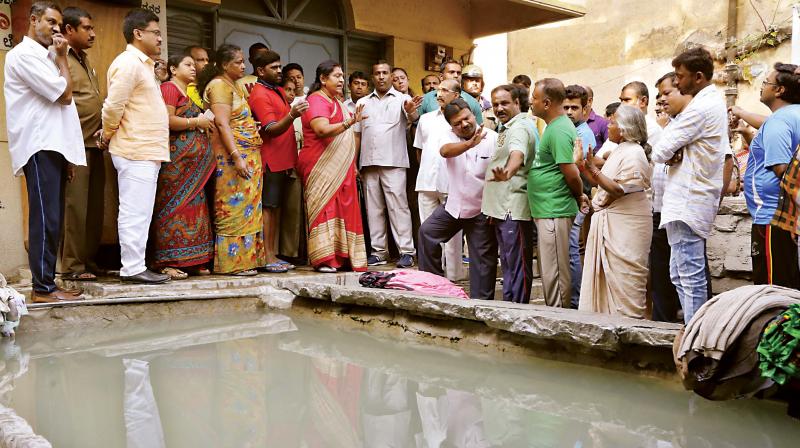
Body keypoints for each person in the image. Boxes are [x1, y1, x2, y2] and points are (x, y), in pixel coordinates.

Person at [5, 2, 86, 302]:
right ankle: (43, 288)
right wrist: (63, 58)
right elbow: (64, 95)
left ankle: (48, 282)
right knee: (45, 218)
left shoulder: (45, 56)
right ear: (34, 20)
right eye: (50, 21)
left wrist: (67, 155)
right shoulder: (24, 55)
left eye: (59, 23)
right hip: (38, 146)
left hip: (53, 146)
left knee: (53, 218)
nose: (55, 28)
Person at [651, 47, 728, 323]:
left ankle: (697, 336)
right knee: (679, 272)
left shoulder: (700, 108)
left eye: (680, 77)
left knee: (689, 274)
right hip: (685, 200)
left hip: (688, 200)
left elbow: (659, 151)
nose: (678, 83)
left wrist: (671, 148)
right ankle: (694, 330)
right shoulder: (704, 104)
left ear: (697, 77)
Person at [99, 8, 170, 284]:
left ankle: (136, 265)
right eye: (156, 32)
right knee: (134, 210)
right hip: (134, 148)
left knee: (141, 211)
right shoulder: (128, 63)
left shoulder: (144, 66)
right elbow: (113, 105)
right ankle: (132, 268)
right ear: (138, 34)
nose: (160, 39)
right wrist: (106, 133)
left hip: (145, 148)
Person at [578, 105, 653, 318]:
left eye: (612, 123)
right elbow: (603, 183)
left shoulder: (634, 153)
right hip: (613, 220)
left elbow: (619, 190)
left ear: (624, 129)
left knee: (626, 282)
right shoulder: (620, 150)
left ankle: (630, 331)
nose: (608, 126)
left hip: (627, 225)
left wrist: (592, 168)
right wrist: (583, 165)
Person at [419, 99, 498, 299]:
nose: (463, 124)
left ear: (473, 114)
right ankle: (433, 288)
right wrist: (469, 144)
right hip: (454, 206)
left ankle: (482, 304)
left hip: (482, 210)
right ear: (451, 126)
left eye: (466, 118)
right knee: (427, 233)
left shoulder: (493, 138)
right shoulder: (448, 136)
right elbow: (445, 151)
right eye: (457, 123)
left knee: (482, 261)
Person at [197, 44, 266, 275]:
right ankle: (233, 263)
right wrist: (237, 156)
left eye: (243, 61)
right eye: (238, 62)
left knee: (247, 208)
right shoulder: (218, 85)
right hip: (230, 158)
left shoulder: (234, 85)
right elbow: (222, 123)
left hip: (248, 155)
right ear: (224, 65)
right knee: (233, 206)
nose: (243, 66)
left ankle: (247, 261)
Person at [297, 60, 368, 272]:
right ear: (322, 79)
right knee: (326, 208)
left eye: (341, 76)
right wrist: (350, 122)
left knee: (343, 207)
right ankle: (325, 259)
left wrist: (352, 163)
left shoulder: (336, 101)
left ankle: (343, 256)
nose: (341, 80)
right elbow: (321, 129)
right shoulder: (317, 100)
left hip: (342, 167)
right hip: (321, 165)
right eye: (336, 76)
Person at [151, 54, 215, 278]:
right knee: (173, 210)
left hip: (194, 170)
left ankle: (193, 260)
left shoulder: (187, 92)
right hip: (177, 166)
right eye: (187, 65)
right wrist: (196, 121)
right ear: (173, 69)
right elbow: (167, 120)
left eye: (193, 65)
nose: (193, 68)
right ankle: (168, 261)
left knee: (195, 208)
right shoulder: (169, 88)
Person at [248, 50, 310, 273]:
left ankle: (272, 253)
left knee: (276, 211)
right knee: (268, 209)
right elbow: (270, 129)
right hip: (269, 161)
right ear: (260, 70)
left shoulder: (278, 91)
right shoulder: (260, 94)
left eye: (279, 66)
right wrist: (292, 115)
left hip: (283, 162)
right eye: (274, 67)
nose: (279, 71)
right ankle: (266, 255)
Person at [356, 61, 422, 268]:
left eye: (385, 73)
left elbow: (414, 117)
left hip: (394, 162)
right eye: (377, 73)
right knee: (373, 209)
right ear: (372, 77)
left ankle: (407, 251)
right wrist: (354, 162)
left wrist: (411, 111)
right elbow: (357, 135)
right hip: (368, 162)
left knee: (398, 208)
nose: (381, 77)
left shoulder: (403, 99)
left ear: (391, 76)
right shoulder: (363, 102)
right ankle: (379, 251)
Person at [529, 78, 588, 308]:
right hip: (547, 208)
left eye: (534, 98)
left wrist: (578, 195)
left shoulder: (559, 129)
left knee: (555, 273)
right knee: (550, 270)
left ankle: (559, 320)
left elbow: (571, 172)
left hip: (554, 209)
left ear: (546, 103)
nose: (530, 102)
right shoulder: (555, 127)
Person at [743, 63, 800, 288]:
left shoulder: (779, 121)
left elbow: (781, 169)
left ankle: (776, 325)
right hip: (788, 218)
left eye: (766, 82)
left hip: (772, 217)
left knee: (773, 287)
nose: (762, 86)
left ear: (779, 90)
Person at [60, 6, 103, 282]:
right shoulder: (60, 59)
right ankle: (72, 267)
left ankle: (87, 260)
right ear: (69, 30)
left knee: (94, 208)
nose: (92, 33)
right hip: (74, 144)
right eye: (87, 28)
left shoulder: (85, 59)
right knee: (75, 207)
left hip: (95, 142)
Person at [484, 84, 538, 303]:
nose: (499, 108)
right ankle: (509, 309)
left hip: (513, 209)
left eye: (505, 103)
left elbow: (517, 154)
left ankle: (517, 311)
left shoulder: (519, 128)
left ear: (517, 103)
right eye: (495, 104)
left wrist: (508, 172)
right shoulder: (506, 127)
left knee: (517, 267)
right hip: (502, 208)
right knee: (509, 265)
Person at [414, 79, 464, 281]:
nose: (439, 94)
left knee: (452, 236)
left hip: (451, 184)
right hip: (426, 181)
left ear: (456, 95)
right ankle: (431, 277)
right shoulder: (425, 119)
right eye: (438, 90)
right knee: (427, 230)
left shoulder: (461, 120)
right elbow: (419, 150)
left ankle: (453, 277)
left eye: (444, 90)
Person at [563, 84, 597, 308]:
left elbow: (578, 169)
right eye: (565, 107)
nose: (568, 112)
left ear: (585, 110)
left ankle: (576, 301)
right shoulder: (569, 130)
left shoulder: (584, 134)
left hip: (579, 197)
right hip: (571, 199)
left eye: (574, 107)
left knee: (573, 251)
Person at [418, 59, 483, 124]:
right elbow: (417, 126)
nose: (456, 76)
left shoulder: (472, 102)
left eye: (459, 73)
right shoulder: (426, 99)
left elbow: (478, 129)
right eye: (451, 72)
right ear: (441, 76)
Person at [462, 64, 496, 131]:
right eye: (471, 80)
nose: (474, 83)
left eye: (477, 80)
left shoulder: (491, 110)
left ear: (482, 85)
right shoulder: (455, 106)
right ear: (462, 84)